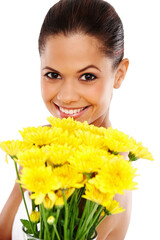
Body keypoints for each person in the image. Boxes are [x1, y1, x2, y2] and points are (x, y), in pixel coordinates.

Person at [0, 0, 131, 239]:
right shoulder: (40, 146)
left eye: (88, 76)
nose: (67, 97)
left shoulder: (111, 173)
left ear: (119, 74)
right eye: (53, 74)